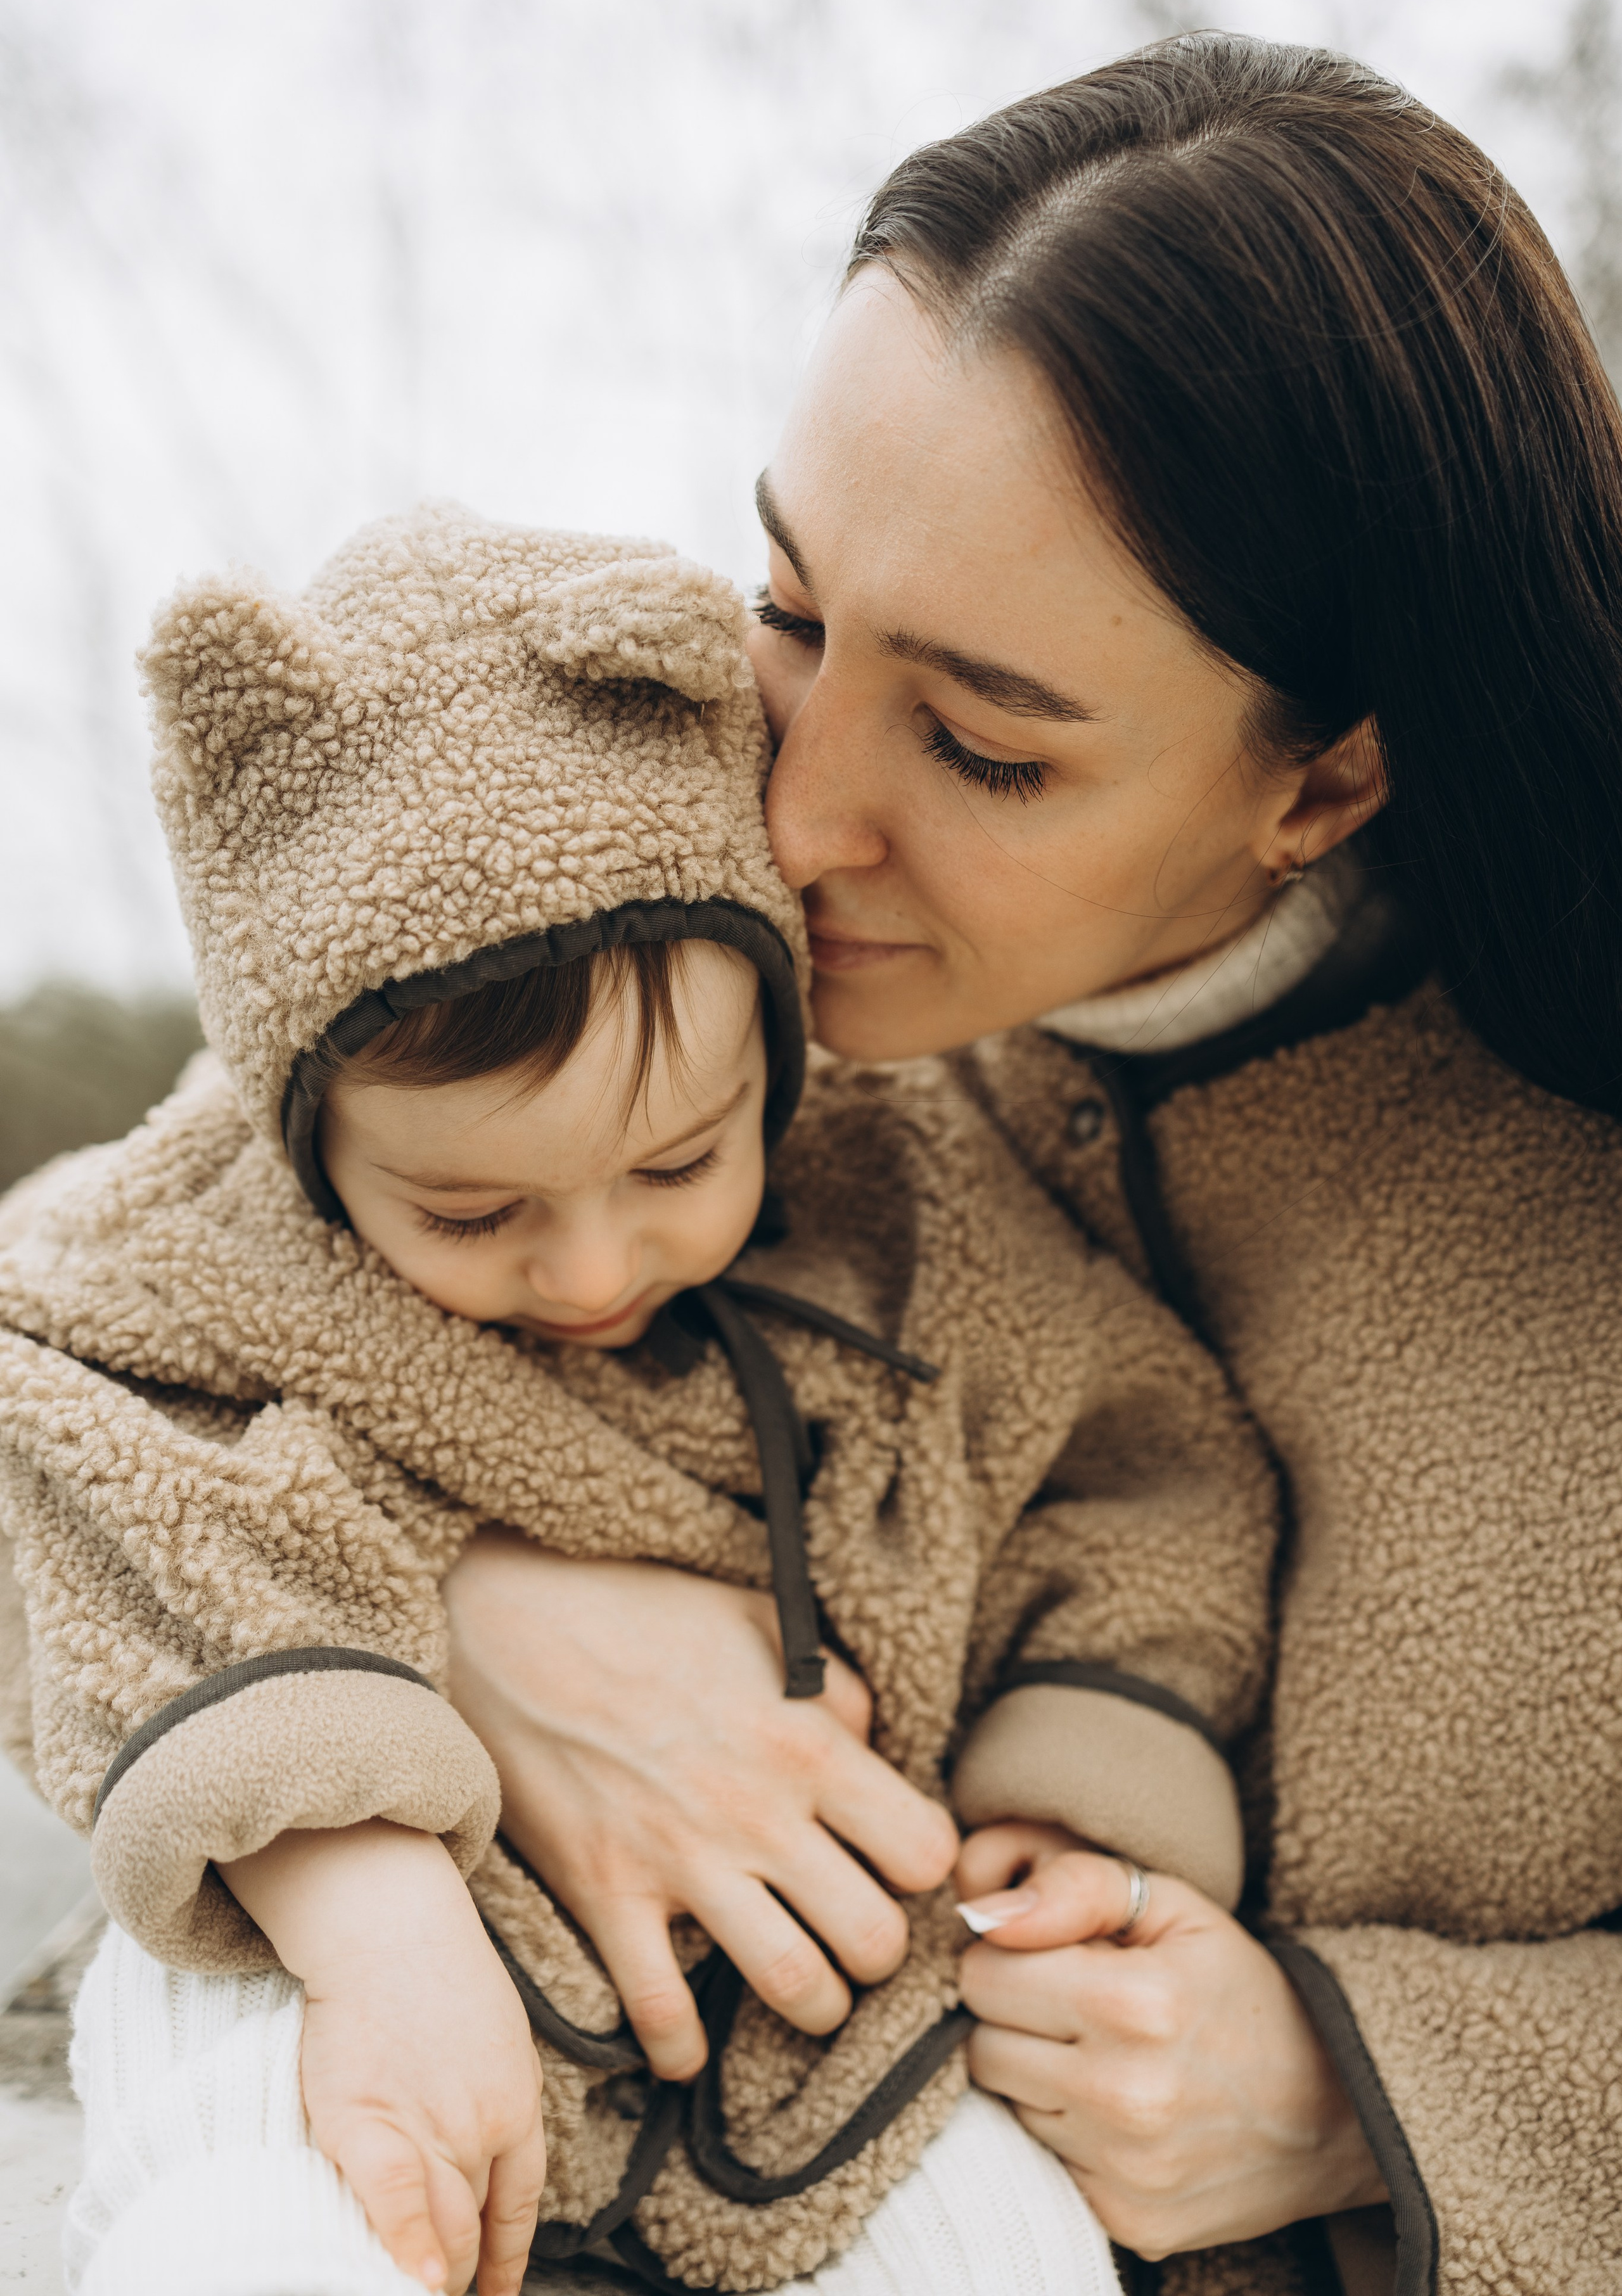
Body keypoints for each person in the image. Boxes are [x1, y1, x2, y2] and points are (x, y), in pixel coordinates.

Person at [441, 34, 1622, 2296]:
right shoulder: (627, 950)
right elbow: (86, 1346)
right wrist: (481, 1628)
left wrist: (1361, 2091)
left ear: (1328, 781)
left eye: (982, 744)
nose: (790, 826)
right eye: (789, 617)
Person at [0, 506, 1276, 2296]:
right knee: (263, 2212)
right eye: (472, 1211)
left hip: (816, 2013)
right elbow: (89, 1472)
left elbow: (1137, 1468)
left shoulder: (906, 1207)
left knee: (1001, 2253)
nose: (593, 1268)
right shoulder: (206, 1263)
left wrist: (1071, 1793)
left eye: (679, 1162)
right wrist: (368, 1910)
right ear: (310, 1134)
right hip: (312, 1923)